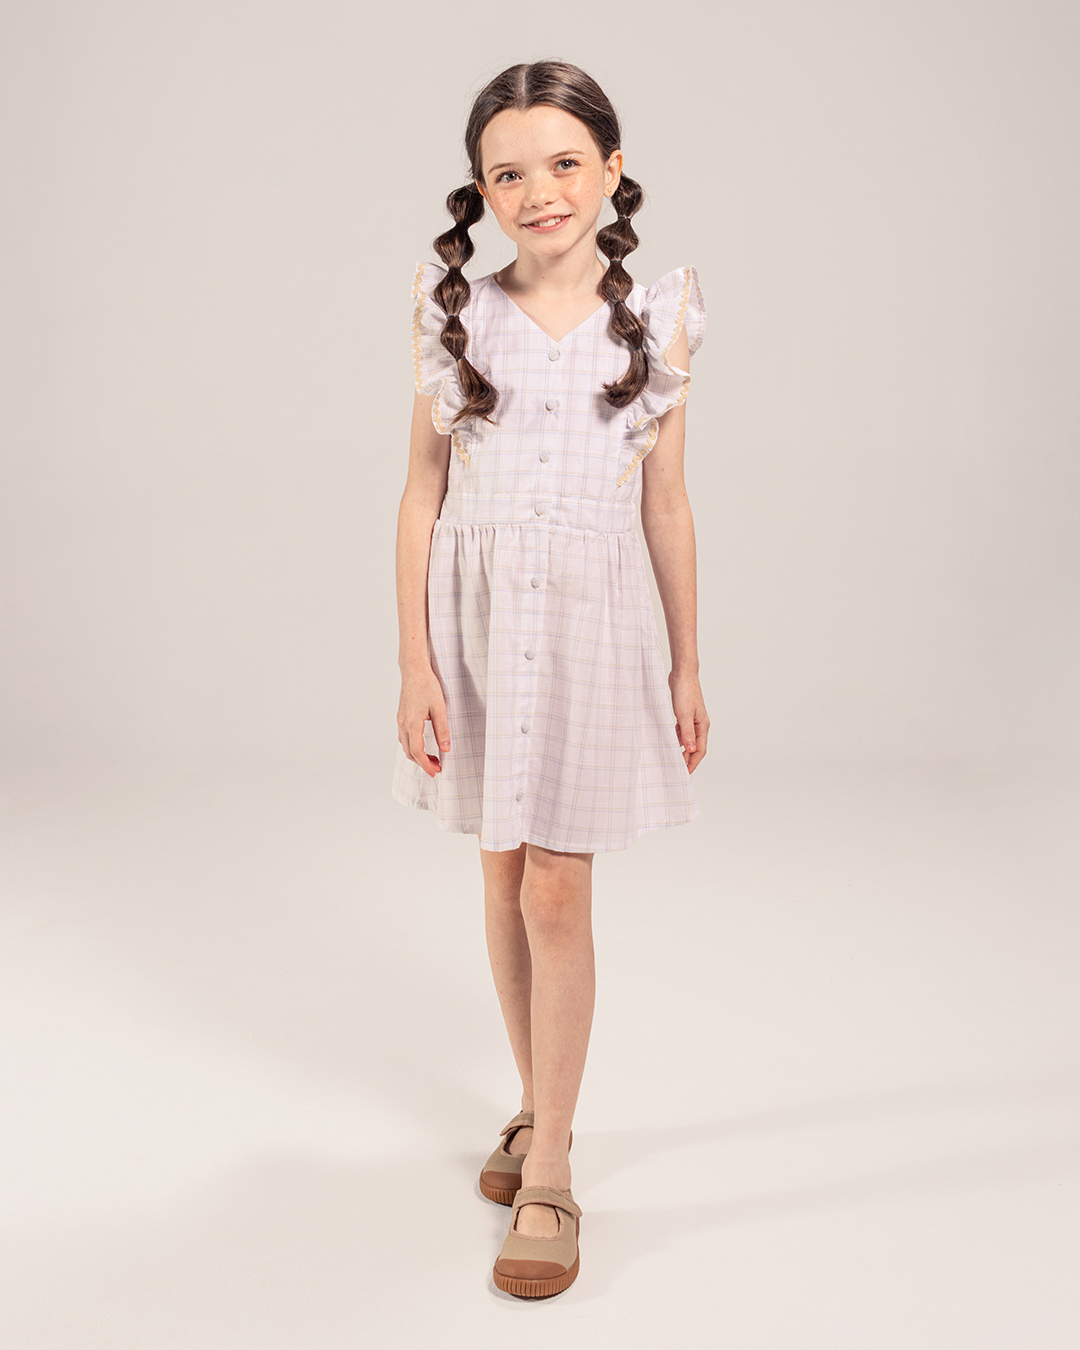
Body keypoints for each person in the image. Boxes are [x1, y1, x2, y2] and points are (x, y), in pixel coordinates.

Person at [392, 59, 709, 1298]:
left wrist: (688, 661)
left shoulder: (657, 321)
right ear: (482, 191)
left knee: (558, 891)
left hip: (591, 626)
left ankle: (555, 1166)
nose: (540, 192)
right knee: (502, 874)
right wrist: (413, 658)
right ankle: (536, 1103)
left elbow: (668, 503)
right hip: (476, 627)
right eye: (508, 173)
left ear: (612, 169)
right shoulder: (454, 315)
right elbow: (421, 495)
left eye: (565, 162)